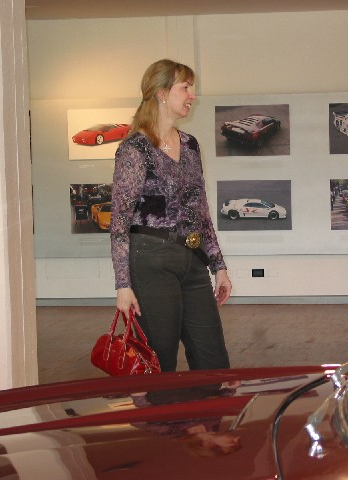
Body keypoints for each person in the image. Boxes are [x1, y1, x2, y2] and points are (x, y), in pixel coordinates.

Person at [110, 59, 232, 372]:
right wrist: (123, 285)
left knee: (212, 356)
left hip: (192, 257)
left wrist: (218, 266)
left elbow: (201, 210)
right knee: (159, 358)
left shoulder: (190, 145)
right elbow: (120, 222)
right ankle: (157, 406)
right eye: (186, 87)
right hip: (151, 259)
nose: (193, 95)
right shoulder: (135, 149)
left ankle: (212, 404)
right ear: (162, 93)